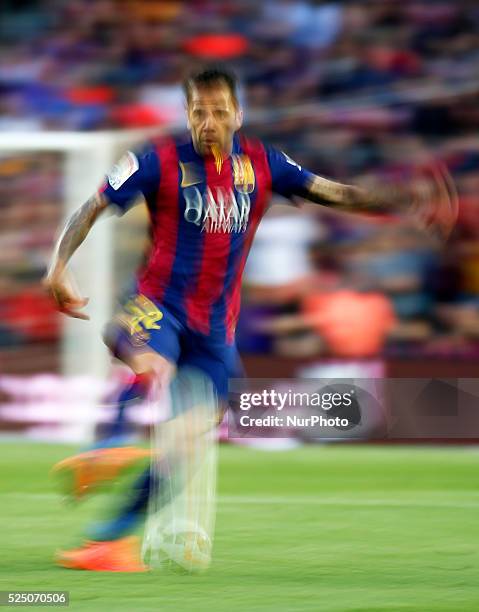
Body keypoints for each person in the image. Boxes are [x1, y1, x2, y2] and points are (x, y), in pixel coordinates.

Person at [43, 68, 455, 571]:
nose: (209, 122)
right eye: (199, 112)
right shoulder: (156, 161)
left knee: (186, 442)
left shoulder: (266, 164)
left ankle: (107, 543)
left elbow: (338, 193)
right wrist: (58, 267)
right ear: (187, 114)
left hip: (216, 329)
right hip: (159, 305)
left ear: (238, 114)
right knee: (151, 362)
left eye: (219, 111)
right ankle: (107, 445)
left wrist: (405, 203)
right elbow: (92, 205)